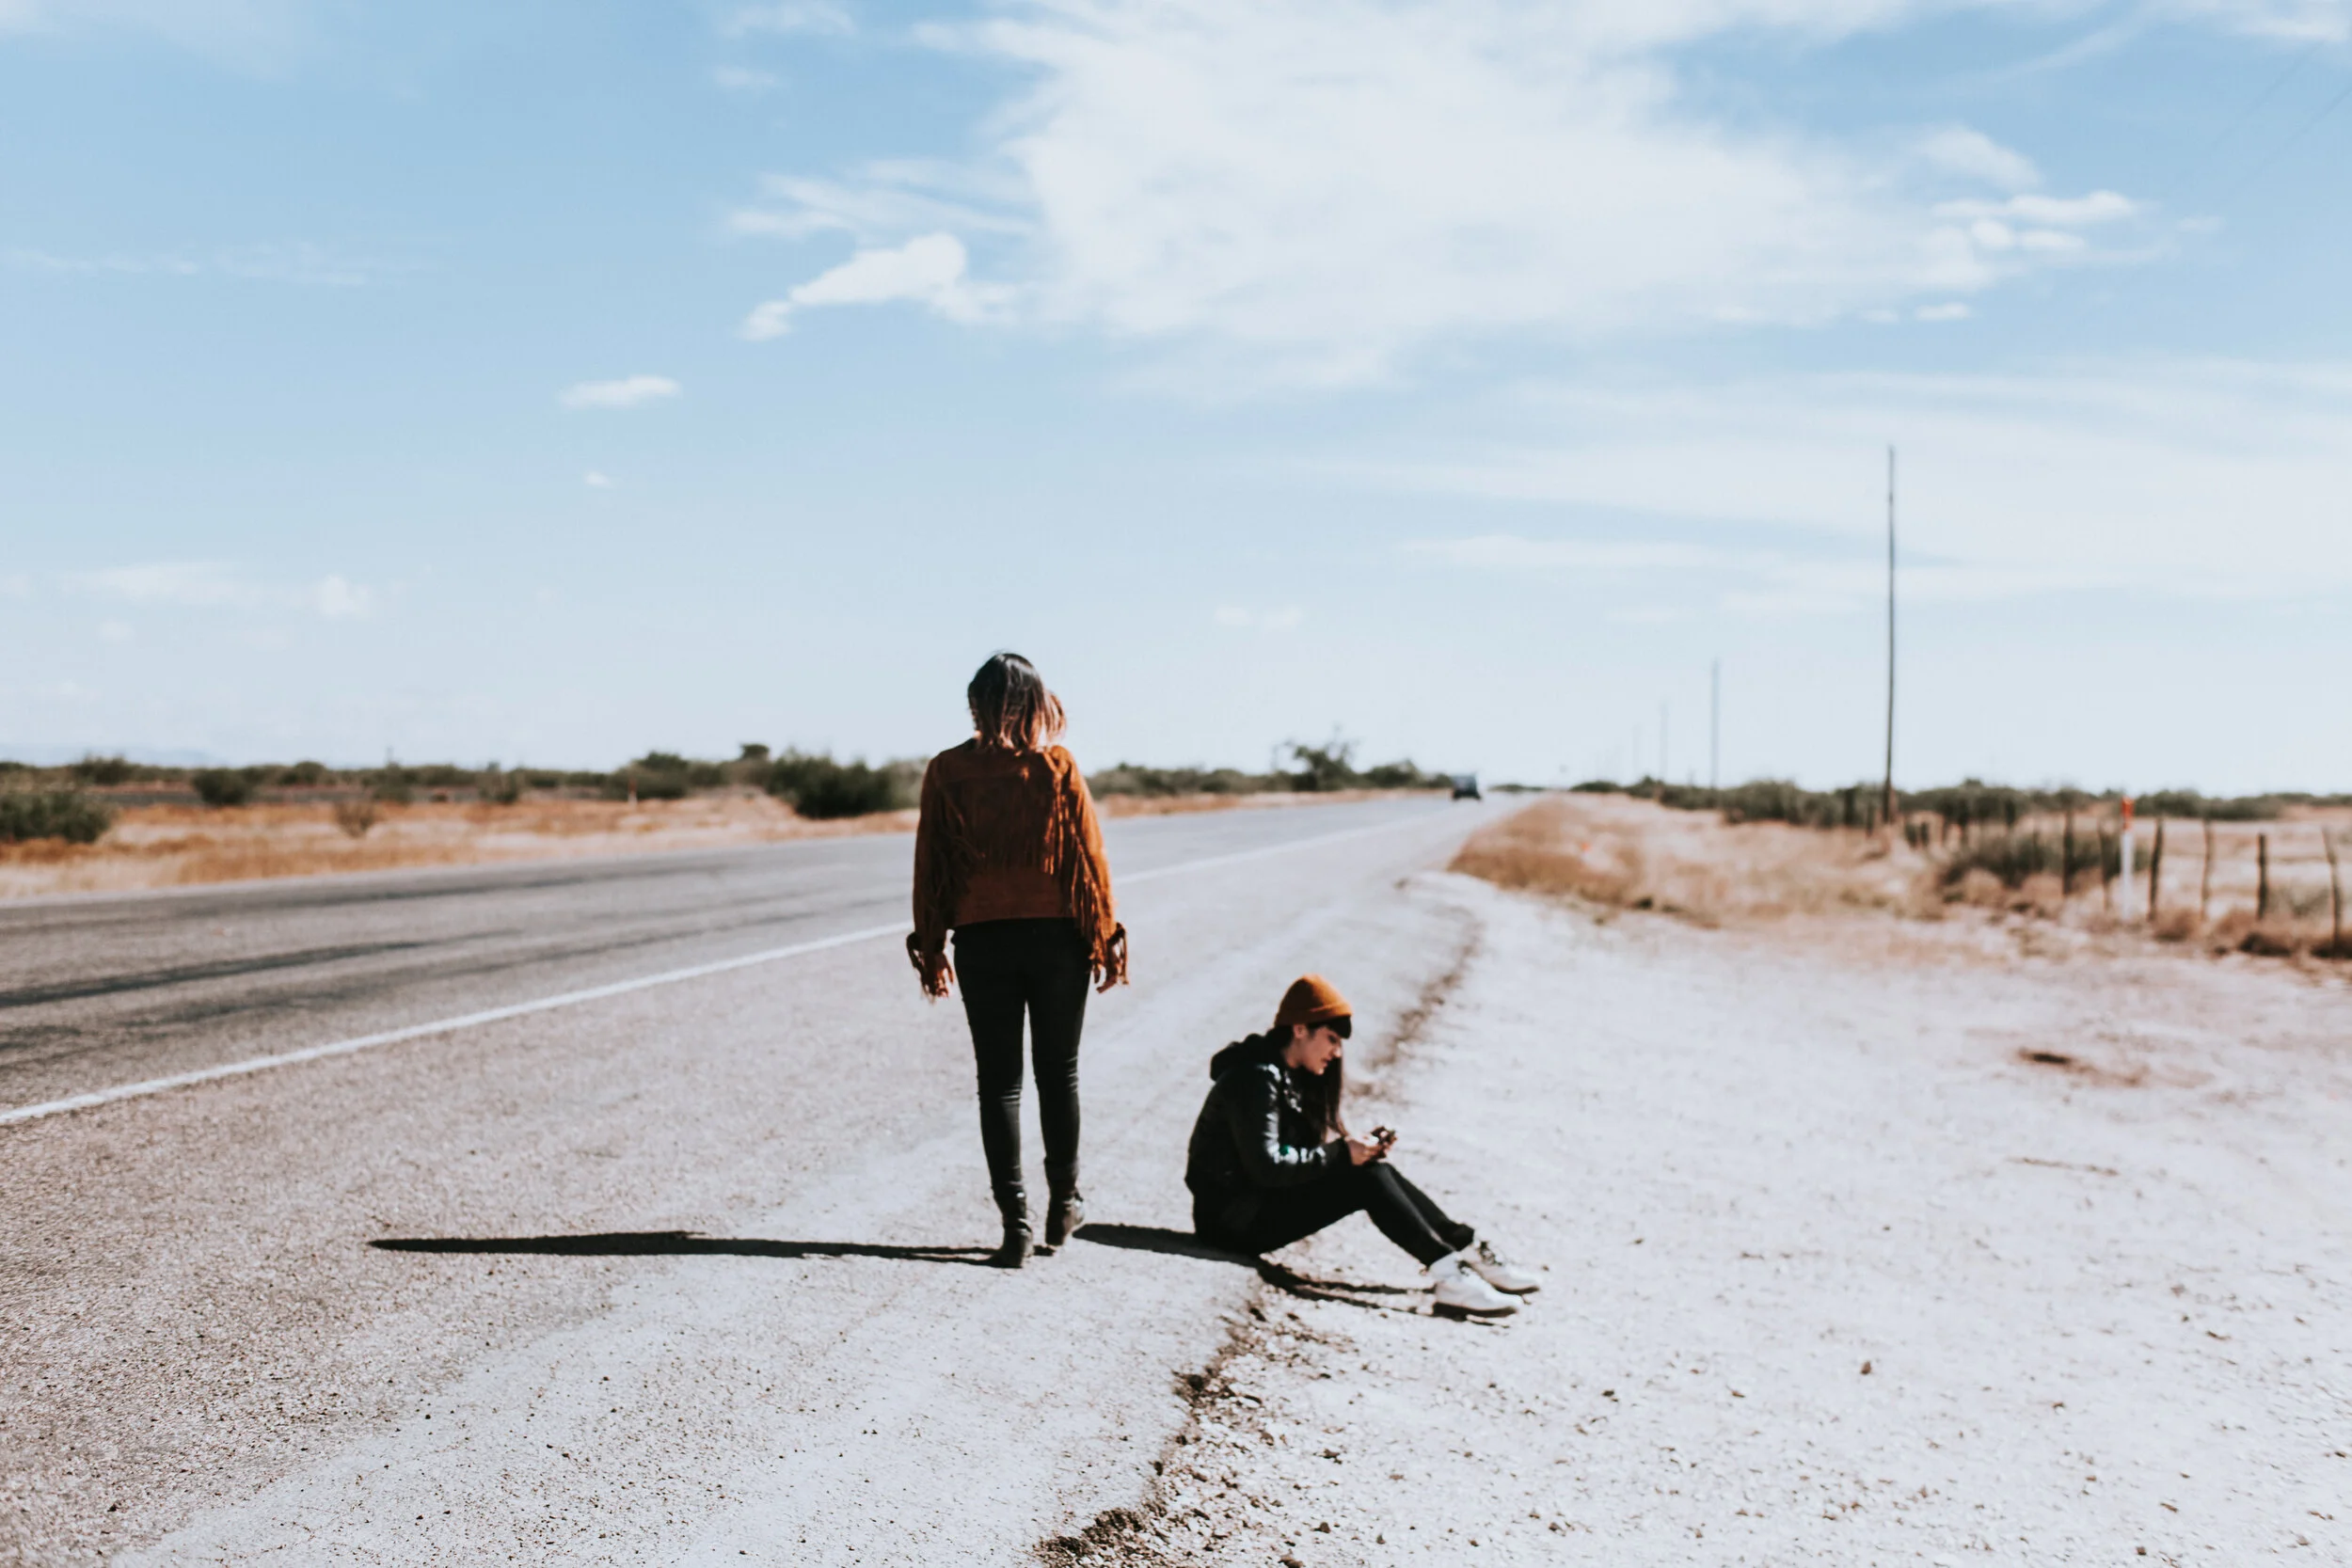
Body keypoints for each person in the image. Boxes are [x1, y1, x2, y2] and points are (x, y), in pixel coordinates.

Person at [911, 652, 1127, 1267]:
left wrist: (931, 943)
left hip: (983, 940)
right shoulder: (1056, 766)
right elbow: (1090, 858)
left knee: (999, 1083)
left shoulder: (947, 770)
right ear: (1036, 704)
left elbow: (931, 864)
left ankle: (1017, 1224)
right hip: (1058, 938)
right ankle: (1065, 1204)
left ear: (975, 705)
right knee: (1059, 1074)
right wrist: (1106, 934)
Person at [1184, 974, 1539, 1318]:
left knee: (1371, 1168)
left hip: (1252, 1207)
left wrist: (1356, 1151)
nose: (1336, 1052)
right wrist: (1341, 1154)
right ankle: (1450, 1274)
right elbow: (1268, 1166)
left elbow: (1289, 1160)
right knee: (1364, 1178)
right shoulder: (1255, 1078)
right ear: (1300, 1029)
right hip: (1229, 1223)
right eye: (1331, 1039)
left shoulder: (1288, 1074)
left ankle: (1465, 1250)